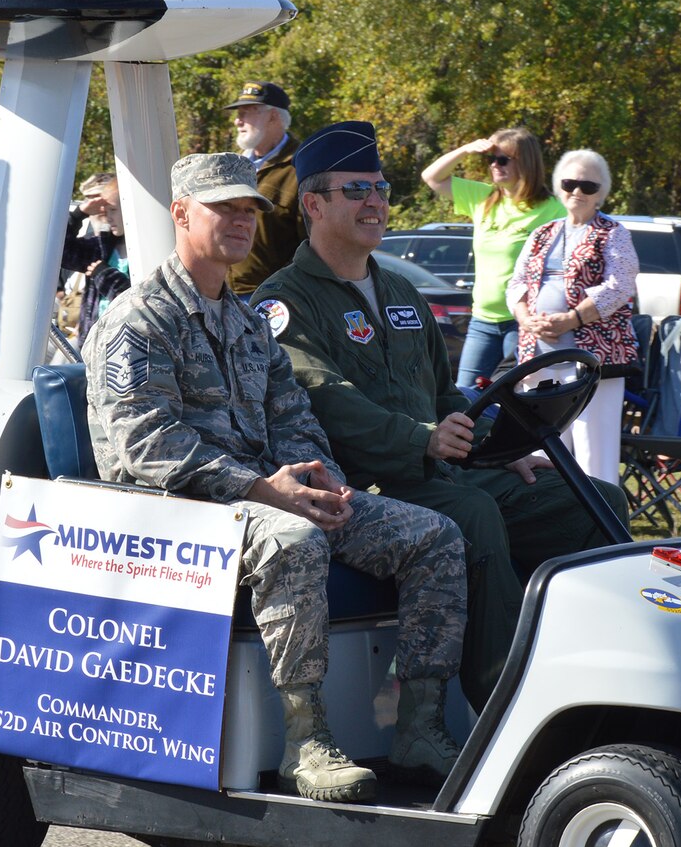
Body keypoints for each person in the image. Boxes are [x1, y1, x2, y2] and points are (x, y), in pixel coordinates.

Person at [86, 151, 468, 802]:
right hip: (169, 513)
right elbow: (145, 445)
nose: (242, 221)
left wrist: (323, 483)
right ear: (181, 213)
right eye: (224, 209)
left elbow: (294, 416)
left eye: (250, 210)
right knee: (293, 541)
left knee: (434, 536)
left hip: (265, 498)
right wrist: (266, 490)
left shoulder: (246, 324)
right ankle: (305, 740)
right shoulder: (140, 319)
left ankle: (418, 727)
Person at [254, 122, 628, 708]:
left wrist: (499, 447)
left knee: (592, 496)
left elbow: (449, 397)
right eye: (356, 191)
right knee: (473, 512)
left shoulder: (403, 293)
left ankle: (602, 680)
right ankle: (502, 704)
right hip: (368, 484)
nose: (375, 202)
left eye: (381, 189)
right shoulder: (284, 302)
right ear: (313, 204)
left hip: (442, 469)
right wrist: (423, 439)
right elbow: (328, 398)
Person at [506, 148, 639, 481]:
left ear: (601, 193)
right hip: (539, 357)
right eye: (569, 183)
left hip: (594, 362)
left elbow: (620, 285)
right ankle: (548, 520)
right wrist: (525, 317)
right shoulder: (542, 233)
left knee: (595, 452)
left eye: (588, 186)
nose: (577, 191)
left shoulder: (613, 233)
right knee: (540, 450)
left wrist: (572, 318)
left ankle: (605, 529)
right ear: (558, 187)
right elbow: (517, 282)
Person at [420, 127, 563, 386]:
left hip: (522, 323)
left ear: (526, 163)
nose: (495, 165)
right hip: (482, 320)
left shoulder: (552, 209)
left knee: (514, 400)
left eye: (503, 159)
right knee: (464, 397)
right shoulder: (482, 197)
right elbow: (431, 177)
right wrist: (466, 149)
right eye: (491, 159)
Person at [223, 80, 304, 293]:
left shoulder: (301, 167)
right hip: (226, 295)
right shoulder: (232, 164)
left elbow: (313, 246)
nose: (237, 121)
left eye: (246, 113)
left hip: (277, 297)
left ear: (274, 117)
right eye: (238, 114)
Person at [61, 170, 129, 339]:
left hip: (127, 344)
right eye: (104, 211)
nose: (107, 217)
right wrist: (78, 215)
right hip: (94, 344)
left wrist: (106, 276)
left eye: (112, 210)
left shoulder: (150, 248)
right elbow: (61, 253)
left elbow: (139, 304)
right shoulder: (102, 246)